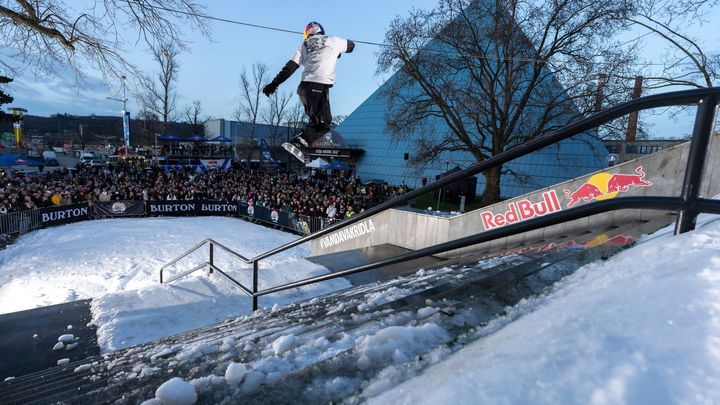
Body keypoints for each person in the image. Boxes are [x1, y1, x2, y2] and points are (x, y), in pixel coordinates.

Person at [262, 21, 355, 148]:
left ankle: (305, 144)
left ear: (307, 34)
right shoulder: (333, 40)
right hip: (318, 86)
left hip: (306, 89)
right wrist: (337, 51)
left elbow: (289, 68)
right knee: (321, 122)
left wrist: (274, 84)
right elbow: (351, 46)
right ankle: (299, 143)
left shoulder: (304, 45)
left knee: (324, 123)